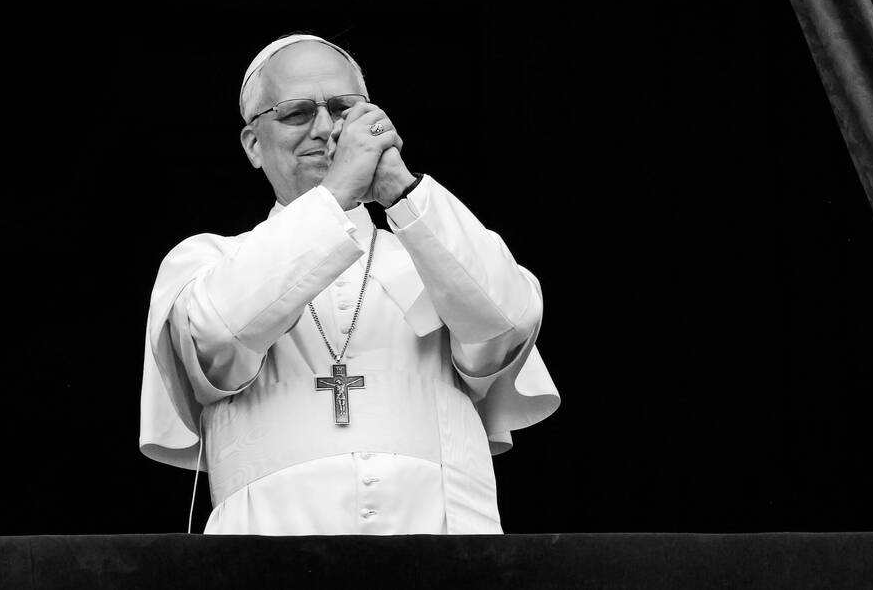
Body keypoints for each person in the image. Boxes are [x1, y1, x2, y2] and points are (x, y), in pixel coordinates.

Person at [139, 33, 560, 535]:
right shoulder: (208, 260)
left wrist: (403, 192)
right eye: (296, 112)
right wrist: (338, 192)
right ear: (253, 144)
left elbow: (508, 321)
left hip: (444, 554)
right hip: (265, 555)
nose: (324, 128)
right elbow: (219, 332)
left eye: (343, 108)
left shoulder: (436, 244)